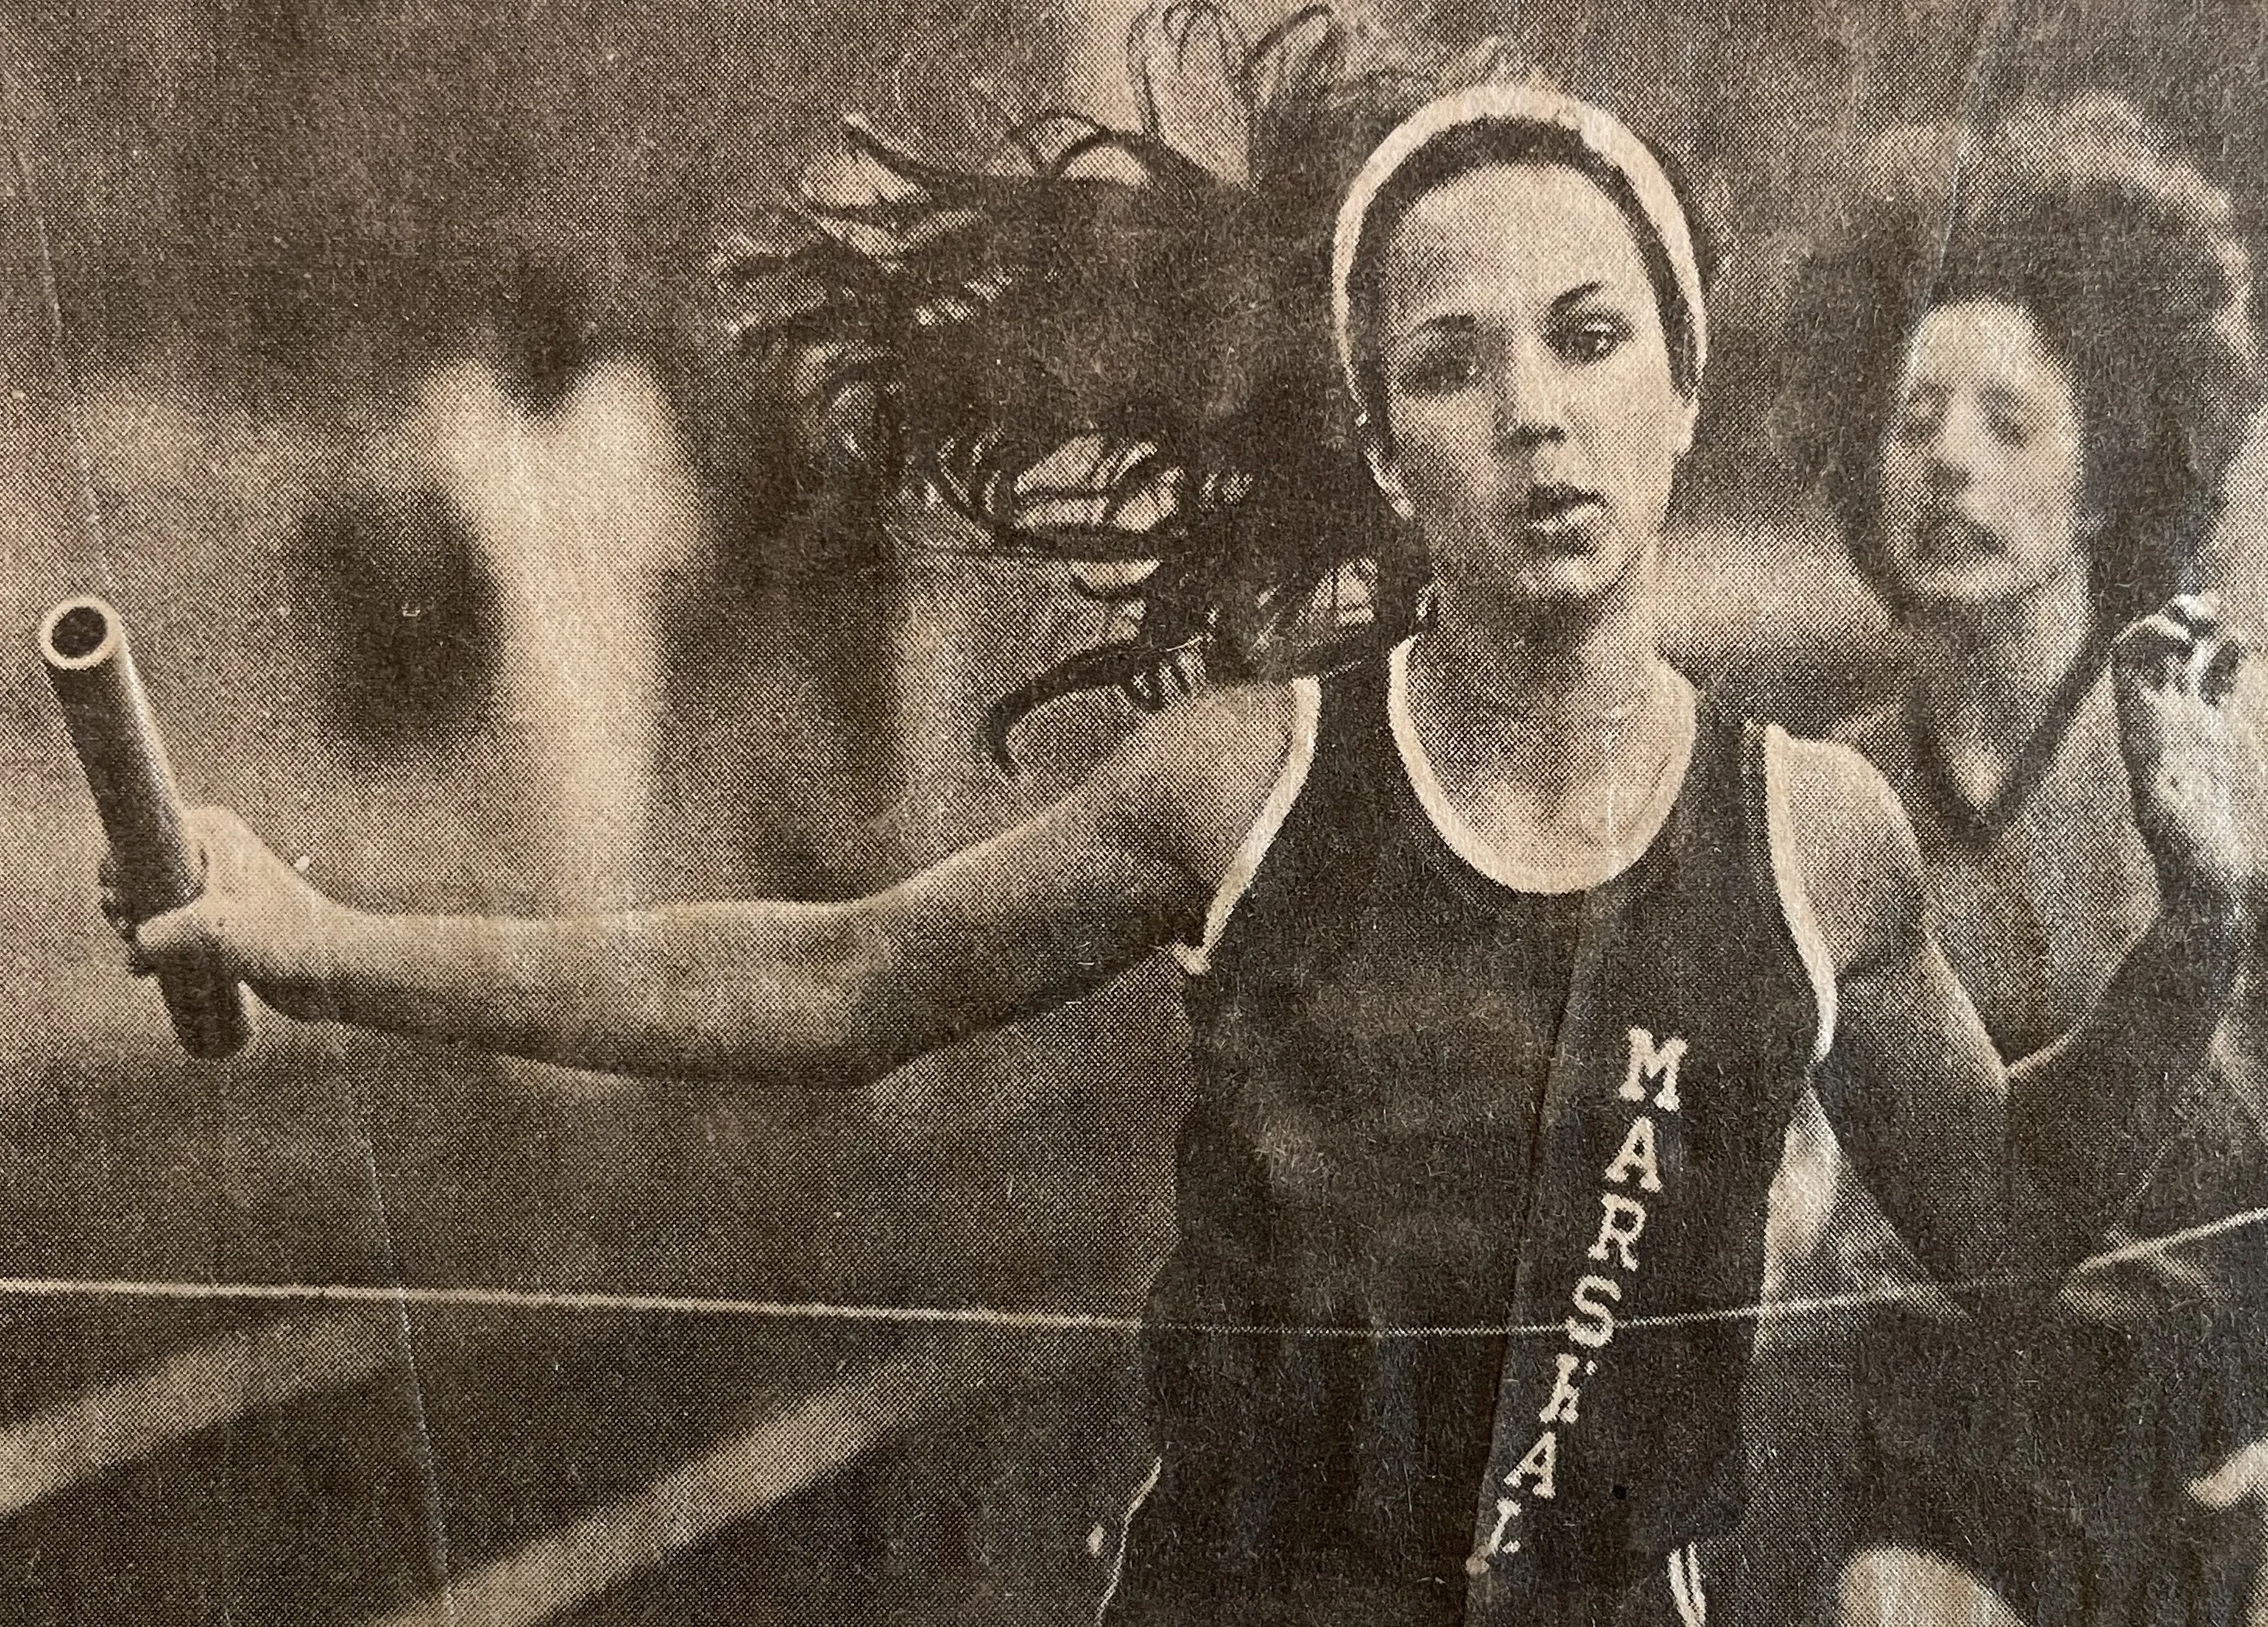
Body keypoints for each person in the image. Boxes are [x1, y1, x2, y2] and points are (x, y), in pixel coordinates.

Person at [111, 37, 2252, 1627]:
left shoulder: (1816, 837)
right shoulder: (1243, 788)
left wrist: (2201, 932)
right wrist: (323, 938)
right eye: (1449, 361)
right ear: (1383, 450)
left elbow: (1992, 1227)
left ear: (1682, 395)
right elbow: (831, 980)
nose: (1532, 409)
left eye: (1591, 339)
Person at [1774, 97, 2268, 1626]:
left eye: (2006, 424)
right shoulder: (1823, 790)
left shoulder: (2212, 741)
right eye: (1912, 426)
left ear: (2110, 472)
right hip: (1950, 1426)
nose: (1949, 469)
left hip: (2221, 1401)